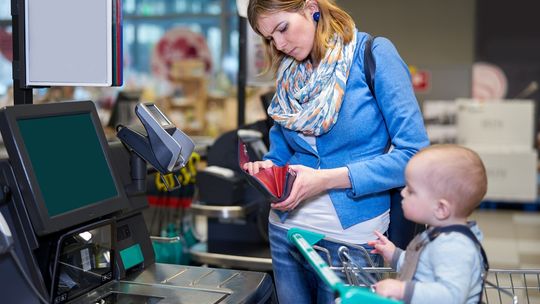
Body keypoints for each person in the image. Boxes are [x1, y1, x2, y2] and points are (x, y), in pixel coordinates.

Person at [245, 0, 429, 303]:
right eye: (268, 38)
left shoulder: (371, 55)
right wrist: (265, 170)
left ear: (310, 8)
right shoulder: (289, 77)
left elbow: (414, 155)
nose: (278, 44)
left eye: (282, 28)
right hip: (286, 232)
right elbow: (279, 154)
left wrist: (326, 179)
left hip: (352, 241)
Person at [369, 144, 488, 303]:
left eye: (411, 190)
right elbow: (423, 265)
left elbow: (451, 296)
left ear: (440, 208)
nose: (403, 193)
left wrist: (402, 290)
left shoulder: (454, 245)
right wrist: (395, 255)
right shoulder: (438, 234)